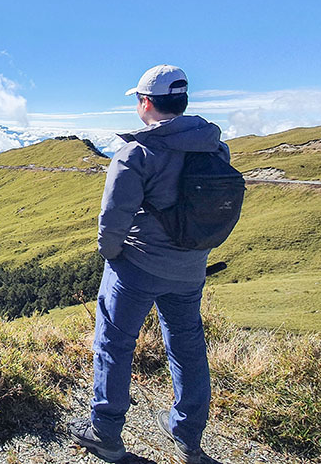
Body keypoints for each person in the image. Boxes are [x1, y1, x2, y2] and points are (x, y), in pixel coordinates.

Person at [69, 65, 229, 463]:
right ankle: (187, 432)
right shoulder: (215, 149)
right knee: (188, 346)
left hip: (137, 267)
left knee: (114, 343)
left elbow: (113, 218)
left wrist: (111, 255)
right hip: (190, 268)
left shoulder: (136, 154)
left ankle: (105, 431)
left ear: (145, 103)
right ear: (183, 100)